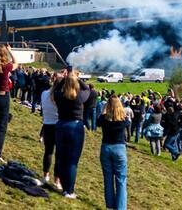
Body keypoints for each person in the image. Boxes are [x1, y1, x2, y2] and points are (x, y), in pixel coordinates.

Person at [53, 70, 91, 199]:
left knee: (62, 159)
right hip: (75, 127)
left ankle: (64, 189)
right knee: (72, 161)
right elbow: (88, 89)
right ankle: (70, 190)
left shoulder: (59, 95)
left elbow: (56, 87)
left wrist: (65, 78)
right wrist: (77, 78)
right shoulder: (80, 96)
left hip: (61, 125)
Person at [97, 97, 130, 210]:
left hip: (106, 147)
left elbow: (97, 122)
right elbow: (127, 122)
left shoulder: (104, 119)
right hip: (119, 148)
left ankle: (110, 205)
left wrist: (103, 110)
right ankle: (121, 207)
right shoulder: (123, 120)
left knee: (108, 178)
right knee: (121, 179)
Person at [40, 72, 62, 190]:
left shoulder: (44, 94)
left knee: (48, 152)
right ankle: (57, 180)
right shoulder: (61, 97)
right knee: (59, 154)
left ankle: (45, 175)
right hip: (58, 126)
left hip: (47, 124)